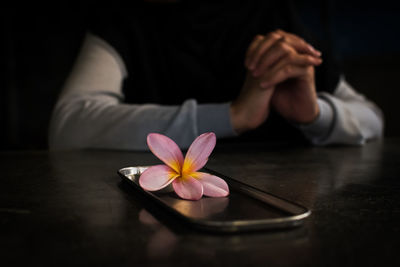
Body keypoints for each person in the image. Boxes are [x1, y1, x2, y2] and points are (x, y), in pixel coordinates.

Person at [48, 0, 383, 150]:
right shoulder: (123, 17)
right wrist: (231, 116)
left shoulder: (271, 14)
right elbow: (69, 125)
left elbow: (372, 118)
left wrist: (314, 115)